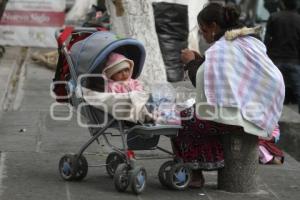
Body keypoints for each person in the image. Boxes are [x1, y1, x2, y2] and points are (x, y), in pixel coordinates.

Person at [173, 2, 285, 188]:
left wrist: (191, 63)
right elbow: (221, 75)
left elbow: (203, 80)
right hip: (260, 112)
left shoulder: (224, 47)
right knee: (197, 113)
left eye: (203, 30)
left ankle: (194, 173)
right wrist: (199, 60)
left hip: (241, 118)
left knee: (180, 119)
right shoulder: (247, 40)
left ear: (214, 26)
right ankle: (205, 164)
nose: (202, 34)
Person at [101, 52, 180, 125]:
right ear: (112, 74)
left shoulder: (133, 82)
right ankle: (150, 117)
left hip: (140, 104)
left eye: (126, 70)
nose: (124, 74)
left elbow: (140, 90)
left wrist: (138, 94)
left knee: (153, 97)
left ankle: (164, 113)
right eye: (119, 72)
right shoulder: (112, 86)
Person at [264, 0, 300, 113]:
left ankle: (267, 117)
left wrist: (266, 57)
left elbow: (267, 40)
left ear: (282, 4)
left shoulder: (274, 17)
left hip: (275, 60)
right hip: (294, 61)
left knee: (270, 90)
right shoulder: (299, 19)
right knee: (298, 90)